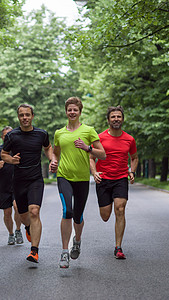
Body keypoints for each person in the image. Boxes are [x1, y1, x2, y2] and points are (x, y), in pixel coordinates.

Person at [50, 97, 106, 269]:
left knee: (78, 216)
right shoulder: (59, 133)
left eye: (75, 110)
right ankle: (64, 252)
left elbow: (102, 154)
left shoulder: (89, 131)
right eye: (69, 110)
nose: (72, 112)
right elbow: (55, 153)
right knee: (67, 210)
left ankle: (77, 241)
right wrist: (53, 162)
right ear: (66, 112)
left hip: (82, 178)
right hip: (64, 176)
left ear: (80, 112)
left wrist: (87, 148)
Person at [1, 104, 51, 264]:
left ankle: (34, 251)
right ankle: (28, 228)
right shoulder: (12, 136)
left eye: (27, 115)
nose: (25, 118)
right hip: (18, 181)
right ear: (18, 117)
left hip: (35, 179)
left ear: (32, 116)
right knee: (23, 216)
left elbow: (48, 147)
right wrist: (11, 160)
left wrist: (52, 159)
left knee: (34, 211)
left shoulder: (41, 134)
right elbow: (3, 154)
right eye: (21, 115)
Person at [89, 105, 138, 259]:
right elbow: (91, 157)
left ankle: (118, 247)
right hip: (103, 179)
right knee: (105, 216)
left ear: (122, 119)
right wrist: (94, 172)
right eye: (113, 117)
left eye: (119, 116)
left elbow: (134, 157)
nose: (116, 119)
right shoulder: (100, 138)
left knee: (120, 209)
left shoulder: (129, 139)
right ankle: (108, 203)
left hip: (120, 178)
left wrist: (132, 171)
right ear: (108, 119)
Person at [0, 126, 23, 245]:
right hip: (4, 186)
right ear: (2, 137)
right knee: (7, 213)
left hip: (18, 185)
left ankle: (18, 230)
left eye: (10, 135)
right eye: (5, 135)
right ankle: (10, 234)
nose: (8, 137)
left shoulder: (19, 149)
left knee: (17, 208)